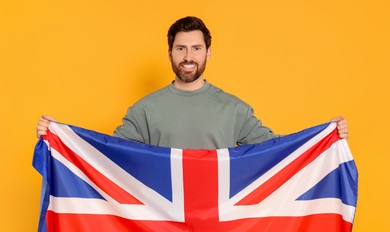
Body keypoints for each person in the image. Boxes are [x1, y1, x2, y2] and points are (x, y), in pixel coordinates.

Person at [36, 16, 349, 149]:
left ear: (208, 53)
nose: (188, 56)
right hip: (162, 227)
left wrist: (325, 136)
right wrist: (60, 137)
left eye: (196, 48)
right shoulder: (145, 110)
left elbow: (277, 150)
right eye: (181, 48)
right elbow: (109, 153)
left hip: (219, 228)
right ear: (170, 53)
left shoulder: (234, 109)